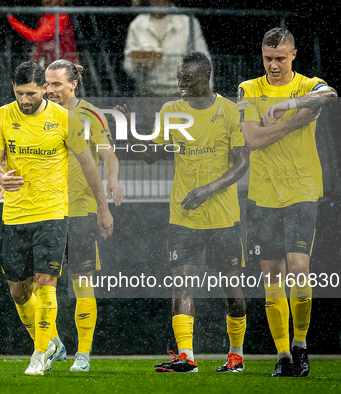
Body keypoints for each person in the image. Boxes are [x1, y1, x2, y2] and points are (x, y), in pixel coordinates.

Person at [0, 59, 123, 372]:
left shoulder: (86, 116)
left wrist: (107, 194)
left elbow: (103, 157)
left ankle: (82, 355)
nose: (50, 89)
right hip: (31, 212)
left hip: (76, 211)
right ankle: (52, 343)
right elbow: (2, 158)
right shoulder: (11, 116)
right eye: (47, 83)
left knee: (76, 283)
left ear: (73, 84)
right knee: (26, 288)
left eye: (56, 84)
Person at [117, 52, 250, 373]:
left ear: (205, 78)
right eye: (179, 80)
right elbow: (152, 155)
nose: (181, 86)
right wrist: (130, 130)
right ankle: (186, 356)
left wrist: (207, 190)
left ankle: (236, 355)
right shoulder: (172, 111)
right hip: (183, 217)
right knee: (181, 286)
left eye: (187, 81)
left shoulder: (229, 112)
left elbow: (242, 163)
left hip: (223, 216)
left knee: (231, 290)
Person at [238, 27, 337, 377]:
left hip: (302, 189)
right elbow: (251, 140)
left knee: (298, 268)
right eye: (268, 58)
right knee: (272, 275)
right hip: (264, 195)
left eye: (280, 58)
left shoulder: (309, 84)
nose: (273, 65)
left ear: (294, 55)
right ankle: (282, 354)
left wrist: (285, 105)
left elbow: (330, 95)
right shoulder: (248, 89)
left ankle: (300, 345)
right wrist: (297, 121)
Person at [124, 0, 211, 97]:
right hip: (148, 94)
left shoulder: (188, 23)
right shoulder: (137, 25)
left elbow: (203, 61)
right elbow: (129, 63)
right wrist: (139, 65)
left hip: (181, 94)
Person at [7, 0, 79, 68]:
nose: (46, 1)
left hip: (65, 66)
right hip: (51, 66)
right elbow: (40, 45)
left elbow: (35, 37)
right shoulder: (44, 20)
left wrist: (12, 21)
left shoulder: (61, 18)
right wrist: (31, 63)